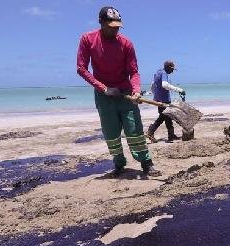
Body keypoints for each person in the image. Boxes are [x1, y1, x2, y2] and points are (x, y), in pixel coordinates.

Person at [76, 6, 160, 177]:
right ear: (101, 23)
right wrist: (104, 88)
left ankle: (146, 163)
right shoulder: (88, 39)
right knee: (111, 132)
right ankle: (119, 164)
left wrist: (136, 91)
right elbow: (81, 68)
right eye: (111, 26)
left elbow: (134, 71)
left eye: (117, 27)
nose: (115, 30)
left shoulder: (126, 43)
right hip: (104, 94)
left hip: (125, 93)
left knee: (134, 128)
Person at [146, 60, 185, 143]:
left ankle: (171, 135)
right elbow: (165, 85)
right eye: (172, 70)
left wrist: (156, 96)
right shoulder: (164, 73)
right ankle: (152, 132)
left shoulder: (158, 72)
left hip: (159, 99)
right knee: (163, 117)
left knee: (167, 117)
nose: (172, 71)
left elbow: (152, 85)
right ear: (168, 68)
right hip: (164, 100)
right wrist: (178, 89)